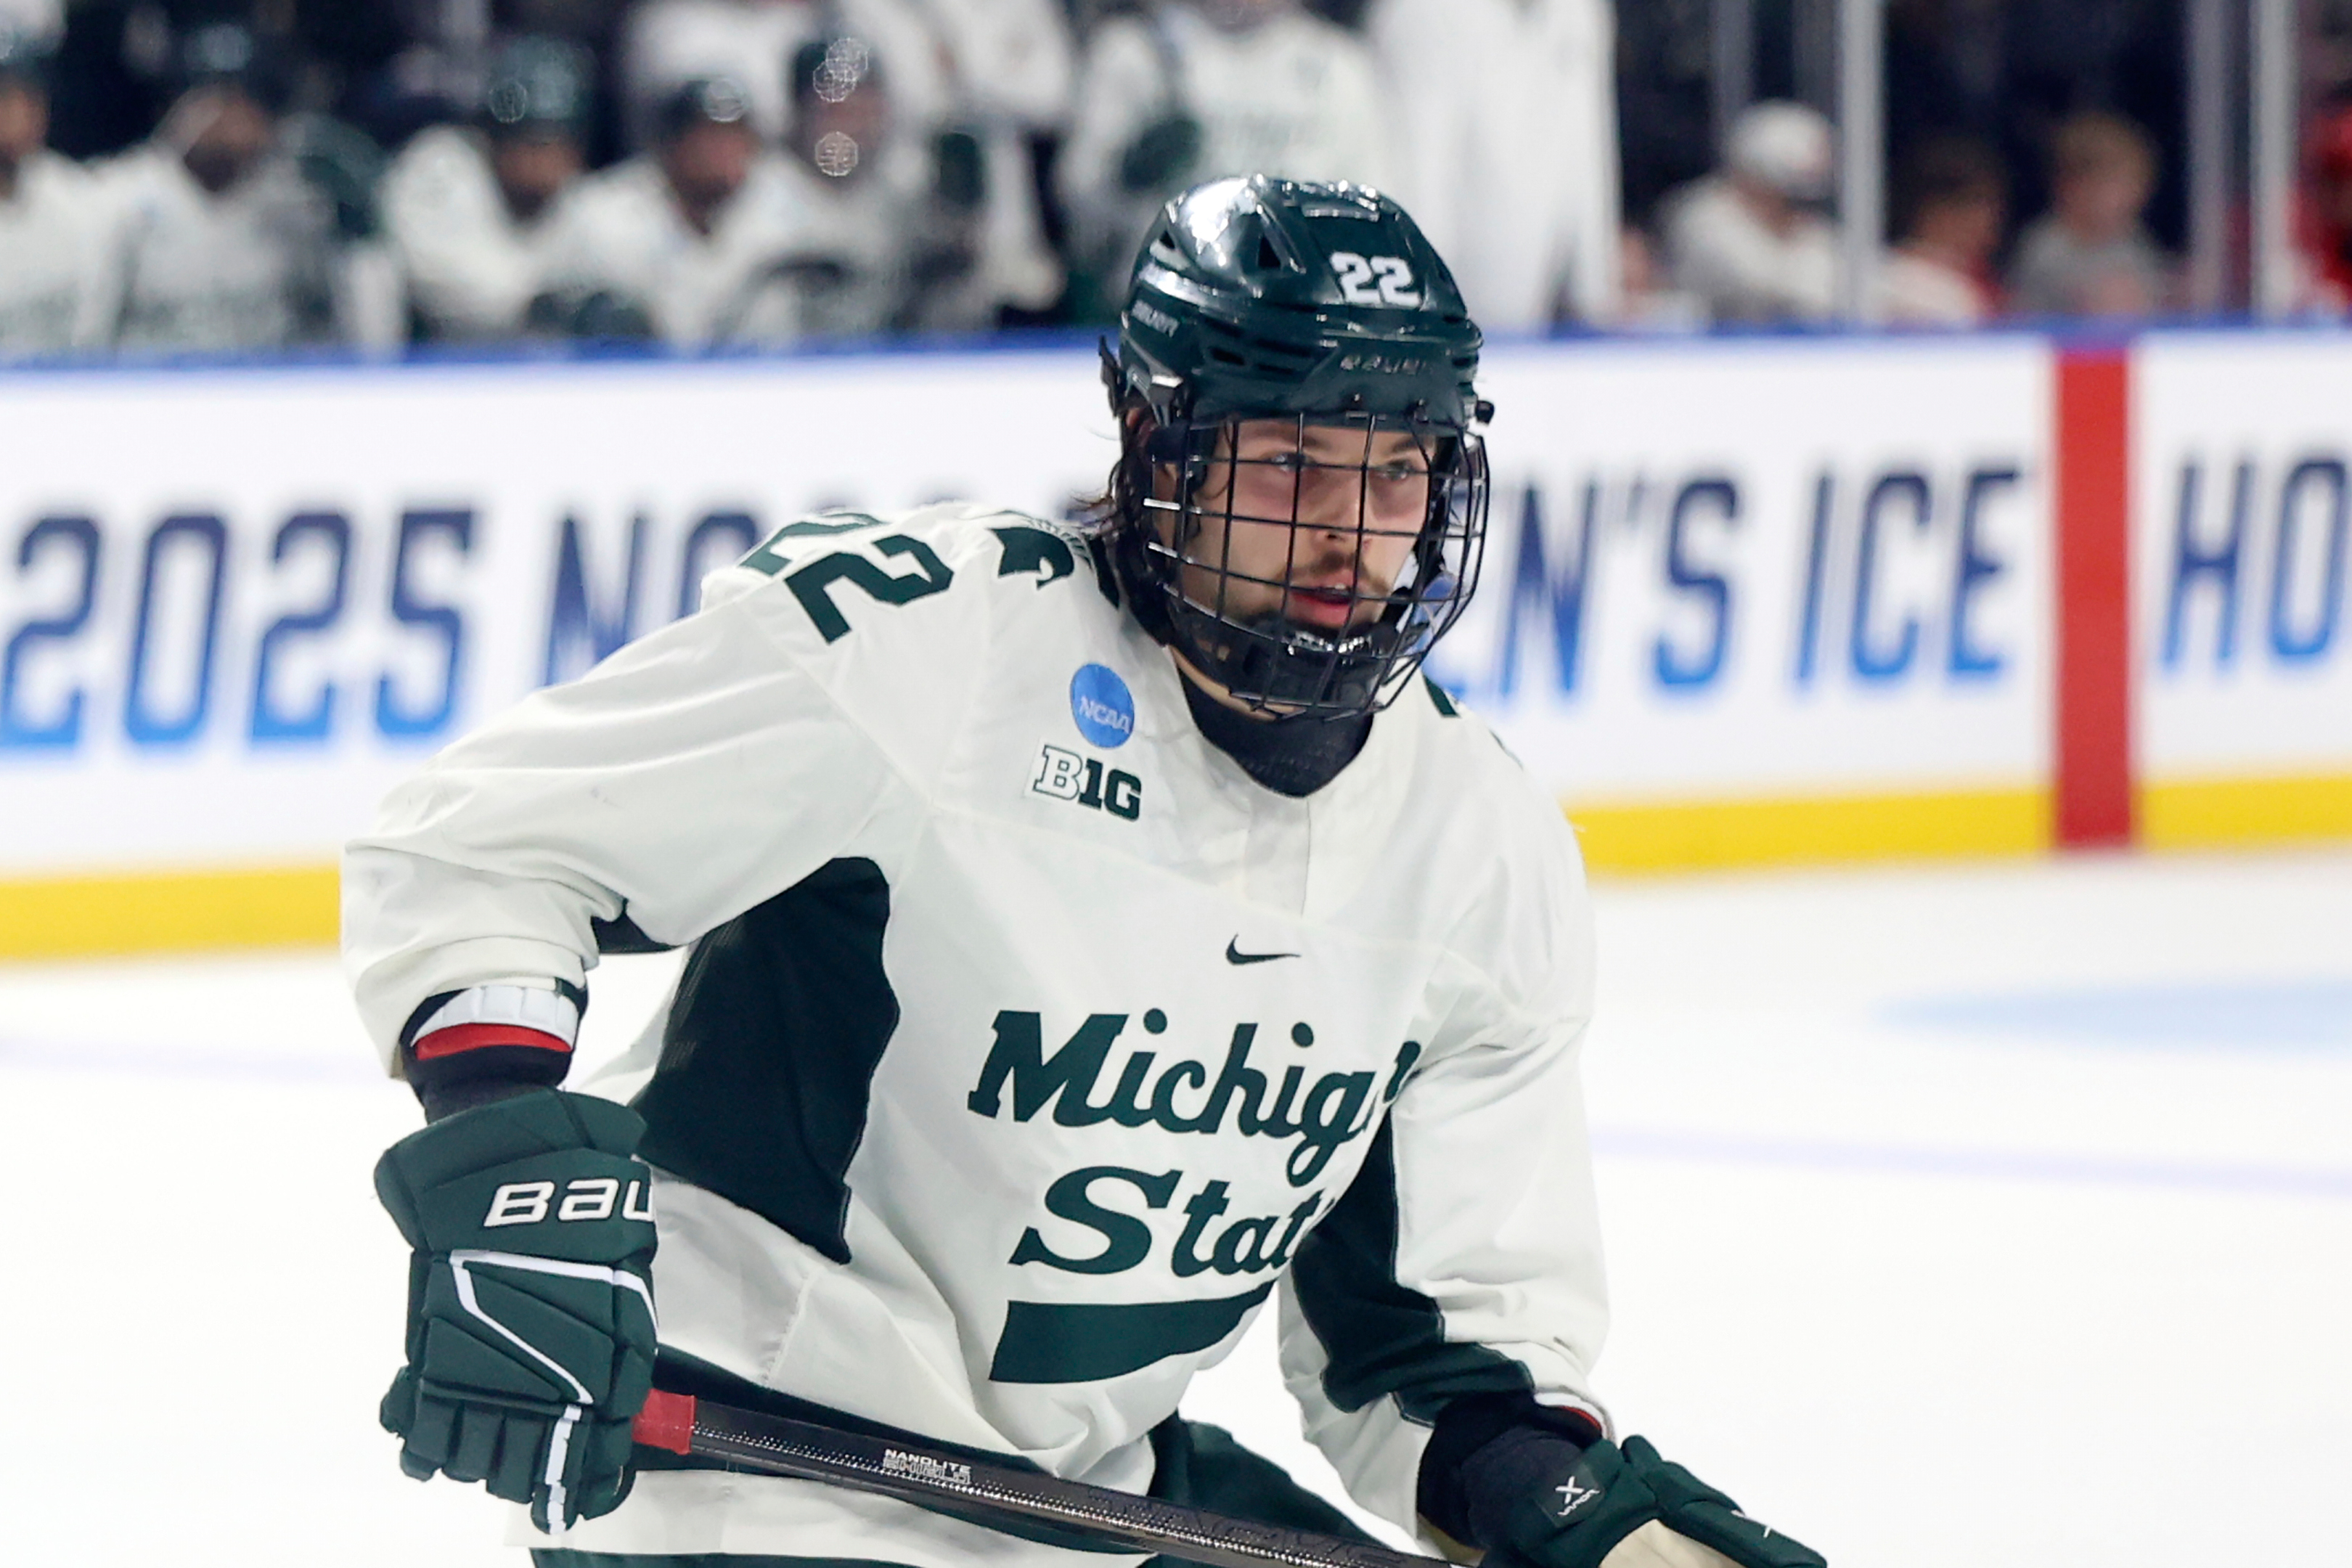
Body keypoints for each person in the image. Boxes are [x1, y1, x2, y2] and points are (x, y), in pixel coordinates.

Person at [344, 174, 1827, 1568]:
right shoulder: (936, 647)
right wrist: (512, 1177)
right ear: (1156, 438)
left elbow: (1428, 1351)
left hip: (1088, 1498)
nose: (1347, 530)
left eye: (1398, 466)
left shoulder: (1477, 843)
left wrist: (1575, 1518)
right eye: (1293, 455)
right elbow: (484, 843)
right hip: (742, 1478)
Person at [1058, 1, 1392, 319]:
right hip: (1159, 309)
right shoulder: (1137, 50)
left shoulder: (1338, 62)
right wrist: (1125, 179)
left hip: (1300, 315)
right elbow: (1075, 199)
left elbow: (1375, 209)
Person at [97, 21, 392, 353]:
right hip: (151, 395)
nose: (234, 115)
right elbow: (83, 340)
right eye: (216, 98)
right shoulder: (120, 197)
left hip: (266, 394)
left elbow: (366, 343)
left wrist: (356, 231)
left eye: (249, 97)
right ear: (173, 106)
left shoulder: (298, 200)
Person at [1362, 0, 1622, 330]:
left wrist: (1597, 293)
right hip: (1449, 320)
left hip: (1538, 320)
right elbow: (1417, 187)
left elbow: (1588, 152)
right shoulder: (1419, 13)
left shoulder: (1579, 11)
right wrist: (1428, 320)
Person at [539, 75, 809, 346]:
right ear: (671, 143)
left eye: (736, 137)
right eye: (709, 136)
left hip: (759, 381)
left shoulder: (786, 206)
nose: (725, 153)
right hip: (629, 380)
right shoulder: (603, 214)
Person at [380, 35, 596, 342]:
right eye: (529, 138)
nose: (544, 157)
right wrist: (541, 305)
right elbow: (451, 291)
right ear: (493, 133)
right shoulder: (439, 169)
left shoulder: (586, 202)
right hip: (439, 370)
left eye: (557, 140)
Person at [1659, 100, 1839, 325]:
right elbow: (1775, 287)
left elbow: (1861, 276)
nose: (1792, 206)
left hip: (1791, 351)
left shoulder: (1803, 226)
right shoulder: (1703, 219)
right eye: (1783, 191)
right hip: (1714, 351)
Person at [0, 23, 115, 356]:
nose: (22, 110)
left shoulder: (80, 199)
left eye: (30, 93)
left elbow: (95, 341)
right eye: (5, 96)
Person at [2006, 110, 2169, 319]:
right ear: (2075, 187)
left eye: (2139, 186)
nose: (2136, 198)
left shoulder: (2134, 241)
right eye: (2120, 186)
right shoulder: (2045, 251)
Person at [1879, 136, 2006, 327]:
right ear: (1931, 210)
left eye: (1991, 204)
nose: (1990, 217)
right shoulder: (1901, 282)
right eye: (1972, 202)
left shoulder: (1980, 277)